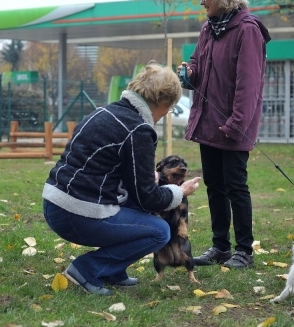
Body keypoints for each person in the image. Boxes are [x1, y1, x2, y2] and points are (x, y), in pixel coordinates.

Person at [43, 63, 201, 295]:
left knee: (139, 212)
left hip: (55, 203)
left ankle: (113, 270)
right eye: (169, 109)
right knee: (159, 231)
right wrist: (179, 192)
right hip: (77, 213)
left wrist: (150, 176)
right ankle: (86, 270)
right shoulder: (138, 130)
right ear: (162, 102)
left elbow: (106, 168)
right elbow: (147, 197)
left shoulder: (103, 112)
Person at [179, 0, 270, 269]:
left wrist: (237, 122)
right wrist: (190, 73)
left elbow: (249, 82)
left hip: (234, 124)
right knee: (214, 186)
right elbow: (197, 62)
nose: (202, 2)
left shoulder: (248, 30)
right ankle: (220, 246)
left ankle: (244, 249)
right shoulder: (208, 28)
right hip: (209, 122)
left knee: (235, 186)